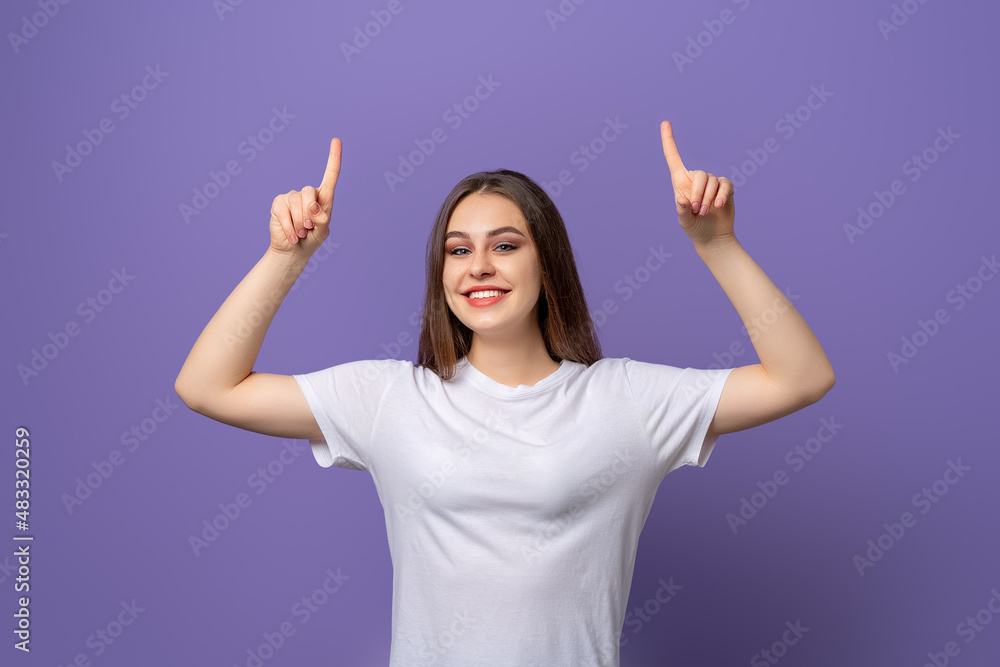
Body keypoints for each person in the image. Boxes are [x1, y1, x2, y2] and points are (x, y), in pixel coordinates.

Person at [175, 122, 835, 666]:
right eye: (458, 250)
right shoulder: (387, 397)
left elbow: (801, 377)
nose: (479, 267)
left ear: (546, 263)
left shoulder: (626, 400)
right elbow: (207, 386)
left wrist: (717, 244)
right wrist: (285, 258)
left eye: (506, 245)